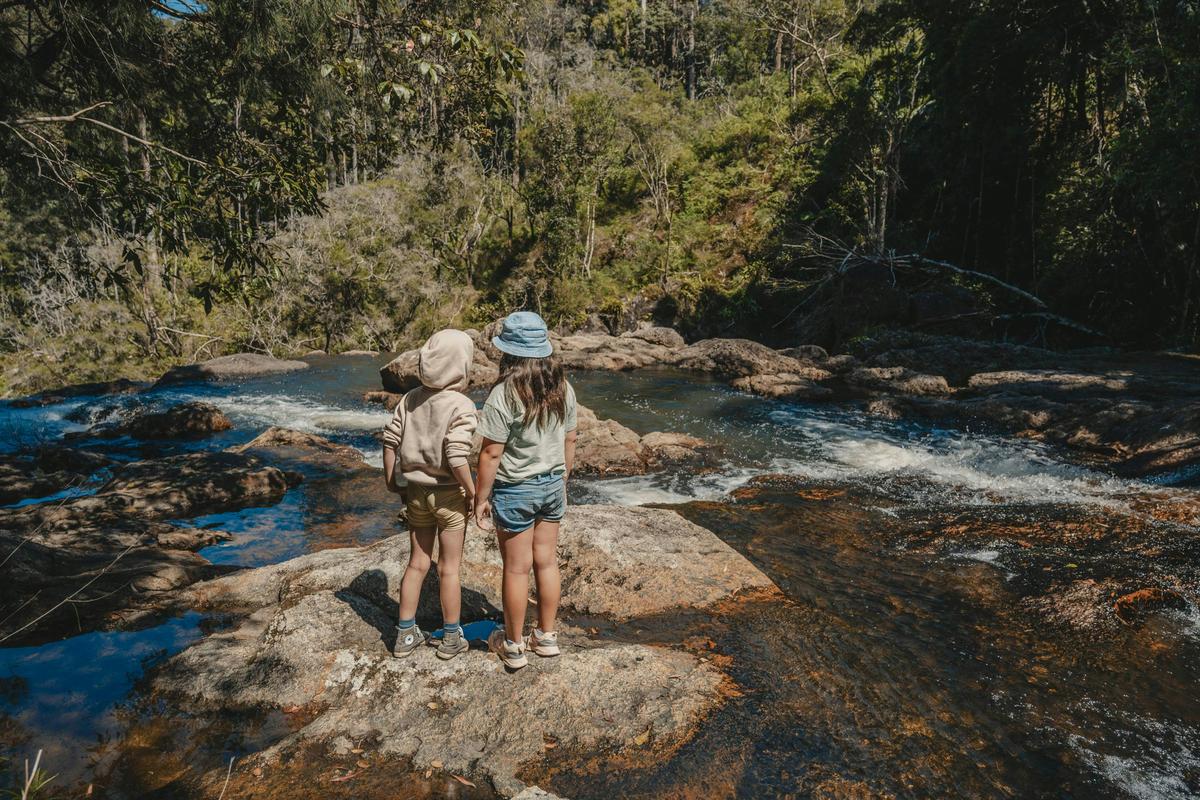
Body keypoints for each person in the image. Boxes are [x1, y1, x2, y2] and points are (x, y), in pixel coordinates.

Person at [475, 311, 577, 670]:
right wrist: (563, 477)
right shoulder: (563, 387)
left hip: (515, 489)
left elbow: (490, 453)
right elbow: (570, 438)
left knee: (517, 569)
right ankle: (546, 637)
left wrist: (481, 498)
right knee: (546, 561)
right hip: (552, 484)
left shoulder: (504, 394)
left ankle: (514, 645)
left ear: (509, 353)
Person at [381, 329, 478, 660]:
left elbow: (390, 441)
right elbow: (456, 454)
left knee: (417, 563)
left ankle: (405, 634)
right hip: (449, 495)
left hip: (416, 492)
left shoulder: (410, 399)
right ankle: (451, 638)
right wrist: (472, 491)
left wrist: (392, 483)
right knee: (449, 568)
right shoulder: (462, 404)